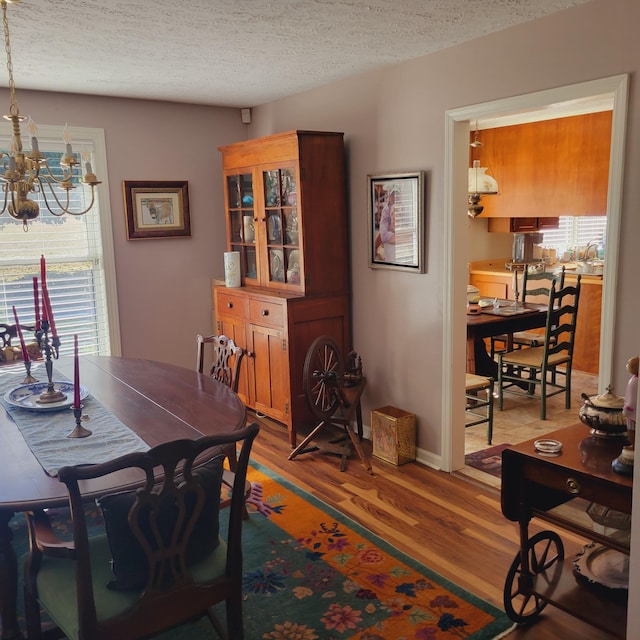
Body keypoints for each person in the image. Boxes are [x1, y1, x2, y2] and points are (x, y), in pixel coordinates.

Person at [379, 184, 399, 262]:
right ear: (390, 197)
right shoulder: (386, 210)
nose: (395, 197)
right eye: (393, 195)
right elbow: (383, 236)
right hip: (391, 249)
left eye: (397, 194)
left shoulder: (405, 208)